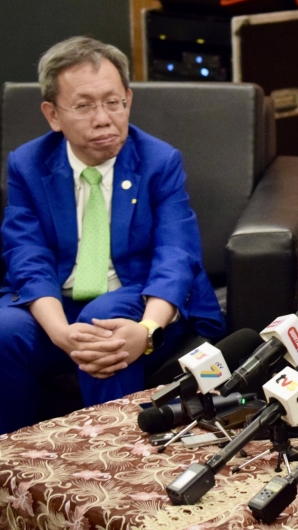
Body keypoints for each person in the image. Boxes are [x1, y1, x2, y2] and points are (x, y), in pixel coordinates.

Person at [0, 37, 226, 434]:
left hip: (136, 296)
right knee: (5, 331)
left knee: (103, 325)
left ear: (128, 101)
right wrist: (61, 333)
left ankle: (113, 466)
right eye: (84, 106)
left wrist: (147, 331)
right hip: (58, 307)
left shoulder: (159, 161)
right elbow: (27, 255)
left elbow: (176, 254)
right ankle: (14, 465)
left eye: (113, 102)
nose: (103, 118)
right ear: (53, 115)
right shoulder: (28, 164)